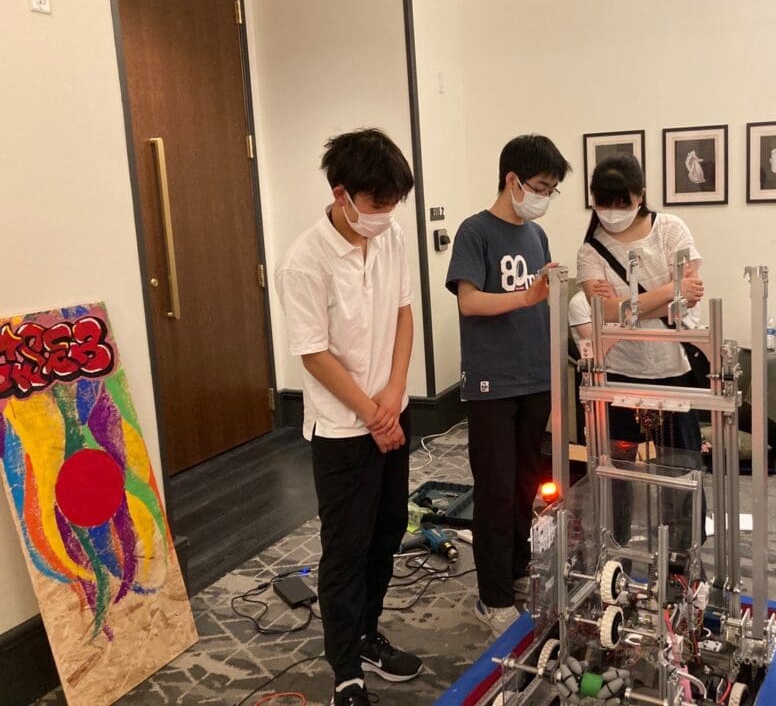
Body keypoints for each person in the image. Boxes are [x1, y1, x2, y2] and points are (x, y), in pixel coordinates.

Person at [275, 129, 420, 706]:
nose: (386, 214)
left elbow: (405, 314)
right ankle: (345, 671)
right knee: (346, 548)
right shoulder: (304, 263)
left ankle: (366, 634)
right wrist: (371, 413)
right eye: (378, 203)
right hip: (341, 429)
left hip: (391, 410)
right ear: (341, 195)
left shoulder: (392, 238)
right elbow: (313, 353)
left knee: (388, 532)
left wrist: (396, 391)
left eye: (393, 203)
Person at [445, 134, 570, 638]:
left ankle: (517, 570)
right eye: (540, 187)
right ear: (512, 180)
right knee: (495, 490)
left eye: (552, 190)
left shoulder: (536, 236)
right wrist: (525, 297)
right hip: (492, 383)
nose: (544, 197)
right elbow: (469, 302)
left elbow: (542, 301)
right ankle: (492, 598)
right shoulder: (475, 231)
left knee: (524, 485)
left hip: (534, 377)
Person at [575, 153, 705, 564]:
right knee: (615, 470)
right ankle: (615, 555)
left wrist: (628, 307)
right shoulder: (590, 250)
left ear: (641, 196)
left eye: (622, 202)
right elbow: (603, 313)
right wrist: (668, 293)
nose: (613, 211)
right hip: (618, 374)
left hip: (673, 370)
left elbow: (690, 294)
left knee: (680, 471)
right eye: (604, 202)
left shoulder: (670, 229)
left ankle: (682, 559)